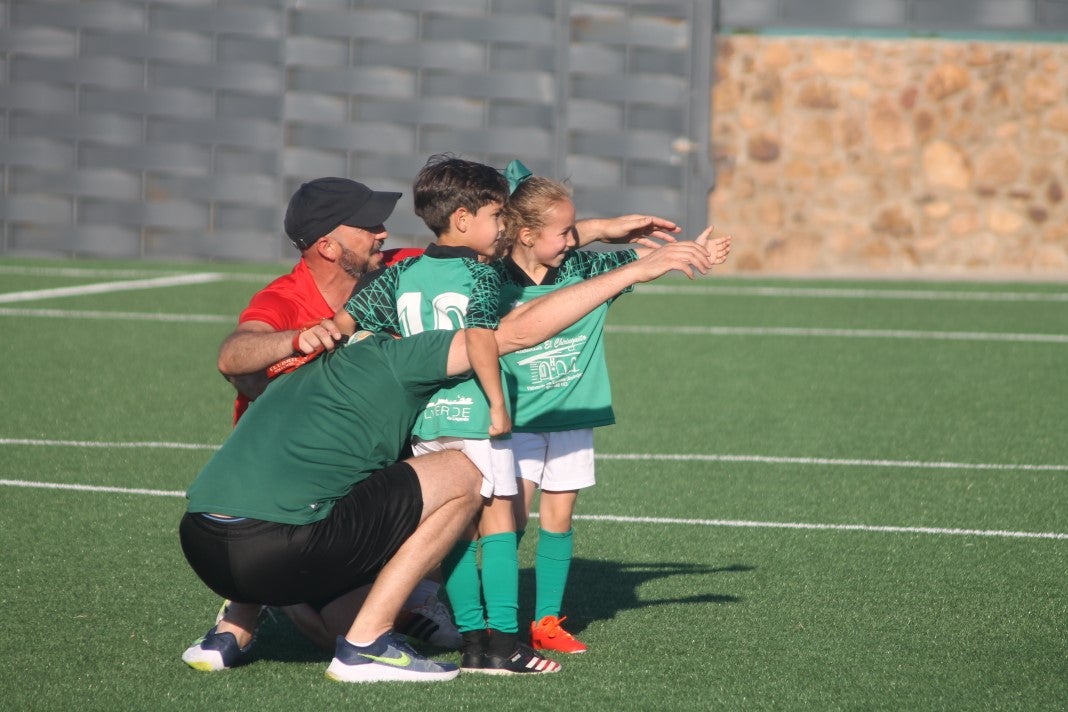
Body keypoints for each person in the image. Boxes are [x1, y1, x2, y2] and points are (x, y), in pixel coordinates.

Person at [177, 233, 717, 684]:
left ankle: (239, 628)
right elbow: (512, 334)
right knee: (465, 471)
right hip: (274, 547)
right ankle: (364, 648)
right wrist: (631, 272)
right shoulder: (400, 354)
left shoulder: (312, 364)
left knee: (333, 600)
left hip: (203, 543)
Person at [204, 177, 457, 654]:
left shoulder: (401, 269)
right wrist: (296, 339)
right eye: (368, 225)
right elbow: (232, 356)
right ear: (326, 245)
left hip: (365, 460)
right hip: (288, 487)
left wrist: (583, 232)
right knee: (336, 634)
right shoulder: (283, 299)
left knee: (461, 450)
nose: (383, 232)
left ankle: (421, 596)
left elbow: (485, 249)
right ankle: (254, 602)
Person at [494, 164, 732, 655]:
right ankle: (490, 620)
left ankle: (546, 622)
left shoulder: (581, 271)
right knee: (508, 524)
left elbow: (642, 262)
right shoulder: (491, 279)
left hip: (575, 415)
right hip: (515, 419)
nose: (573, 241)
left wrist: (688, 254)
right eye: (564, 233)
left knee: (559, 519)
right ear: (524, 234)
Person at [341, 155, 555, 674]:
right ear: (463, 219)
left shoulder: (404, 272)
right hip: (475, 415)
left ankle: (473, 640)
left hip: (427, 420)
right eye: (497, 217)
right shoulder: (478, 274)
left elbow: (346, 323)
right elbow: (479, 337)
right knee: (498, 522)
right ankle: (502, 644)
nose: (503, 229)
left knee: (454, 526)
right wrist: (499, 403)